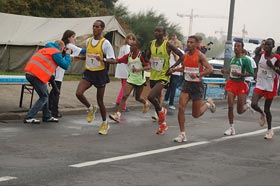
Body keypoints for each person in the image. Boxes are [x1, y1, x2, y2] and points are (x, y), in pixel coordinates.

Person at [169, 35, 216, 143]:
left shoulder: (200, 55)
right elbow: (185, 69)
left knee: (196, 114)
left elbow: (210, 69)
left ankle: (208, 104)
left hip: (197, 86)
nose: (189, 44)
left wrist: (198, 74)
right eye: (188, 42)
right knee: (181, 108)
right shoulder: (185, 56)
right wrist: (175, 69)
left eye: (191, 42)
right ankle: (182, 134)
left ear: (196, 44)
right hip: (186, 85)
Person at [75, 20, 115, 135]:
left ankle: (104, 123)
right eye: (93, 26)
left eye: (97, 27)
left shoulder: (105, 43)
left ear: (102, 29)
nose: (94, 28)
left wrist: (103, 59)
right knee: (78, 93)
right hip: (89, 72)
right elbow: (88, 56)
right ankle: (91, 108)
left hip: (100, 74)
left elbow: (112, 60)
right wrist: (79, 58)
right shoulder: (88, 41)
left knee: (100, 100)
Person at [145, 26, 184, 135]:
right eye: (155, 30)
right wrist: (147, 57)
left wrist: (173, 67)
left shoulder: (167, 44)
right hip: (153, 75)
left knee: (150, 97)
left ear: (163, 33)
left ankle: (161, 112)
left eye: (159, 31)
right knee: (156, 101)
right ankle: (163, 124)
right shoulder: (151, 43)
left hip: (163, 76)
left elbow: (182, 56)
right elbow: (147, 57)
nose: (156, 33)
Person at [23, 40, 72, 124]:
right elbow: (65, 65)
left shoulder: (44, 49)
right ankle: (29, 117)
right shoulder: (55, 52)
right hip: (36, 75)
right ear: (61, 48)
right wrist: (67, 54)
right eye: (63, 49)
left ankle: (47, 116)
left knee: (45, 94)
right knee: (44, 97)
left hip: (30, 73)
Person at [109, 41, 150, 122]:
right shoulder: (129, 55)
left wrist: (139, 69)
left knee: (137, 98)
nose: (130, 48)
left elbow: (148, 66)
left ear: (136, 47)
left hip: (140, 80)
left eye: (132, 46)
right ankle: (117, 115)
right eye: (130, 46)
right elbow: (118, 60)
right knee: (125, 96)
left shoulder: (141, 55)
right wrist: (106, 60)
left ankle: (146, 102)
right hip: (131, 79)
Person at [49, 30, 86, 118]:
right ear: (68, 37)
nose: (74, 39)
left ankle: (47, 107)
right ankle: (54, 111)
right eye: (73, 37)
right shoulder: (69, 46)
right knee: (56, 92)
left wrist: (73, 58)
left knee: (53, 91)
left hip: (55, 71)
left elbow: (68, 56)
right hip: (59, 72)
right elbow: (83, 51)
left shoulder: (63, 45)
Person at [221, 40, 254, 136]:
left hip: (240, 85)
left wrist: (240, 74)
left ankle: (247, 105)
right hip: (231, 83)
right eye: (235, 46)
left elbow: (251, 73)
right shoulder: (232, 59)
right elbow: (231, 71)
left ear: (242, 48)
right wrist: (225, 71)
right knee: (230, 106)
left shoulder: (246, 60)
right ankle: (231, 128)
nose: (236, 48)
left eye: (238, 46)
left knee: (239, 111)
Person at [250, 38, 280, 139]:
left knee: (267, 109)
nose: (266, 46)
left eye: (268, 45)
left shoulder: (276, 58)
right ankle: (261, 113)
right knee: (253, 104)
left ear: (272, 46)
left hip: (270, 85)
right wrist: (255, 73)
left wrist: (272, 67)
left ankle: (269, 130)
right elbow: (256, 56)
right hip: (260, 84)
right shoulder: (261, 54)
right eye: (265, 44)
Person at [114, 33, 136, 111]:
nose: (131, 41)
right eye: (129, 39)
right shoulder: (127, 47)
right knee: (125, 88)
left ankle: (118, 101)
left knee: (123, 86)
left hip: (121, 68)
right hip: (125, 69)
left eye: (132, 39)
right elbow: (129, 58)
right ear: (126, 39)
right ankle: (122, 104)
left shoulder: (122, 47)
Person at [164, 44, 184, 110]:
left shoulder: (181, 52)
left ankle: (169, 102)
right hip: (171, 71)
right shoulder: (169, 50)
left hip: (176, 71)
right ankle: (168, 101)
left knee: (172, 87)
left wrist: (174, 55)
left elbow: (178, 60)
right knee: (171, 87)